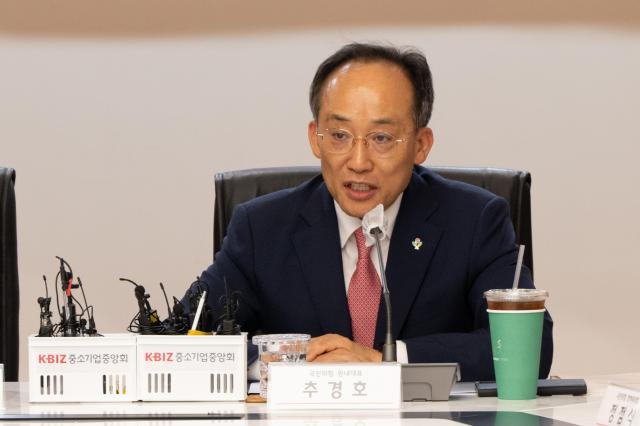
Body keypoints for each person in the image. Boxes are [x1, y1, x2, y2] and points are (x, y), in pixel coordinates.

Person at [192, 43, 553, 381]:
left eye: (381, 138)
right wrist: (289, 360)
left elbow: (529, 349)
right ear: (314, 136)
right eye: (339, 136)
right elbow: (186, 338)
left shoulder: (475, 221)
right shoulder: (261, 228)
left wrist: (384, 360)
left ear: (421, 145)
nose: (358, 162)